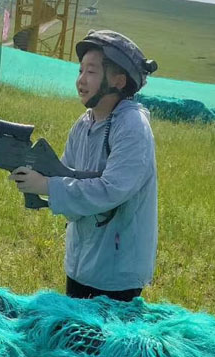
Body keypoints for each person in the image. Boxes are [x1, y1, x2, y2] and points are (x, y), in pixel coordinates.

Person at [10, 30, 158, 302]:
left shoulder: (132, 127)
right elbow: (65, 172)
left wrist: (46, 186)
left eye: (91, 71)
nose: (81, 80)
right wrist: (32, 174)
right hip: (82, 262)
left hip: (118, 272)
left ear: (118, 80)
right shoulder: (83, 124)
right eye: (80, 70)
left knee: (102, 343)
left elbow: (111, 190)